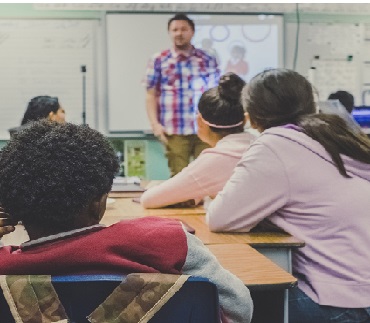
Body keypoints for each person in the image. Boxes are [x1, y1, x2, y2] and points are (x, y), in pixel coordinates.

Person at [0, 120, 253, 323]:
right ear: (99, 202)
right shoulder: (167, 242)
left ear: (11, 209)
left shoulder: (5, 266)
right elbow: (239, 309)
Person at [206, 68, 370, 322]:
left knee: (229, 301)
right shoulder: (337, 136)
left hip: (341, 303)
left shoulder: (275, 145)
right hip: (359, 293)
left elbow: (220, 218)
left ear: (251, 117)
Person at [140, 73, 255, 208]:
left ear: (200, 121)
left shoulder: (215, 159)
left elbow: (149, 200)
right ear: (246, 119)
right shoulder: (259, 143)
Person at [144, 13, 220, 177]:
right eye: (175, 29)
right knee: (178, 177)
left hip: (205, 127)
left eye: (184, 29)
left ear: (192, 32)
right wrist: (155, 125)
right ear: (170, 33)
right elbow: (151, 94)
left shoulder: (207, 59)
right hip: (174, 130)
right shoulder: (159, 60)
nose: (179, 33)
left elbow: (216, 94)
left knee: (207, 175)